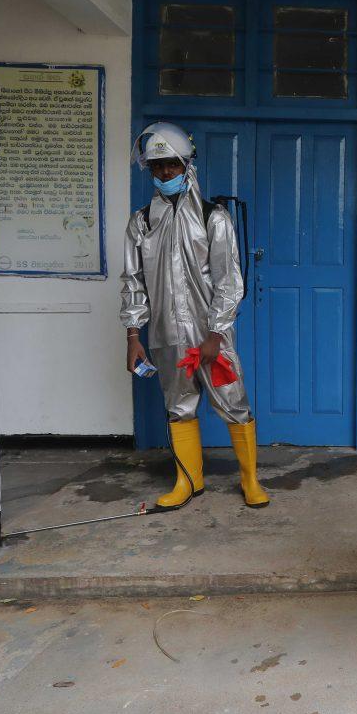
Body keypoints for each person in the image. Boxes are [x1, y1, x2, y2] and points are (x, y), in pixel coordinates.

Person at [120, 121, 269, 511]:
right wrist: (134, 336)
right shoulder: (142, 222)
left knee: (234, 403)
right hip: (168, 337)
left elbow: (229, 280)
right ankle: (189, 482)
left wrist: (216, 333)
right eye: (157, 167)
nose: (165, 173)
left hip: (210, 340)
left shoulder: (212, 218)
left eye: (171, 164)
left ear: (188, 165)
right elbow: (133, 281)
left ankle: (250, 479)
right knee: (179, 407)